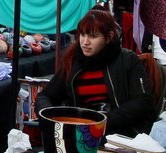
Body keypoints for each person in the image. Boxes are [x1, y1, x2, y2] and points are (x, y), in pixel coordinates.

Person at [35, 9, 154, 137]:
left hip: (120, 134)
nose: (85, 42)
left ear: (108, 37)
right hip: (80, 134)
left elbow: (142, 102)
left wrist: (101, 123)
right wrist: (49, 117)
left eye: (93, 36)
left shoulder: (128, 60)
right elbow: (45, 96)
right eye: (82, 34)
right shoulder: (73, 61)